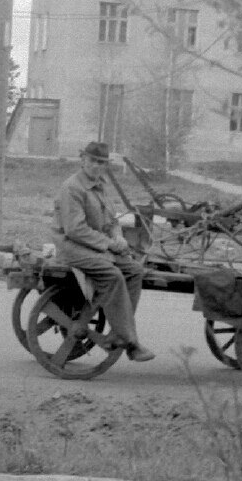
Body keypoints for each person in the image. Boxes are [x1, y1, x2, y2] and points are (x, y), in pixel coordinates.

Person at [52, 141, 154, 362]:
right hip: (73, 248)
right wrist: (108, 244)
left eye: (102, 163)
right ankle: (131, 341)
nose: (97, 166)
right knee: (113, 275)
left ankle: (119, 333)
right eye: (93, 161)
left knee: (135, 270)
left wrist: (117, 236)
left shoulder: (99, 186)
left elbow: (111, 220)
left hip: (94, 246)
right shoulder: (73, 188)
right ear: (83, 160)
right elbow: (75, 230)